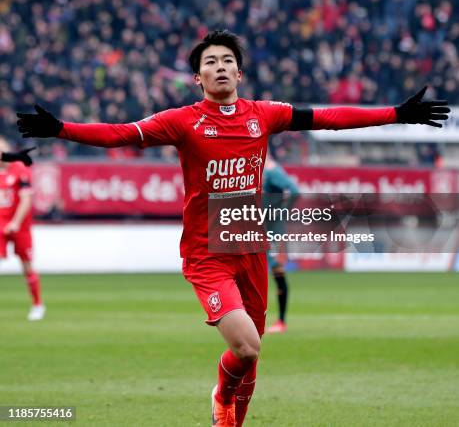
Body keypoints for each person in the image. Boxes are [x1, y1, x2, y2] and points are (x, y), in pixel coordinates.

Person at [16, 30, 449, 426]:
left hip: (249, 246)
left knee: (252, 357)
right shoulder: (182, 121)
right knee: (246, 346)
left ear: (239, 73)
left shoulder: (265, 114)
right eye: (210, 62)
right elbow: (119, 134)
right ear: (197, 79)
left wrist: (396, 114)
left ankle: (230, 419)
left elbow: (329, 117)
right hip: (207, 255)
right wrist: (61, 129)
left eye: (226, 60)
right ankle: (221, 398)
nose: (219, 66)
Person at [0, 140, 45, 321]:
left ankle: (37, 304)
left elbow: (26, 199)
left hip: (20, 225)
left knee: (26, 265)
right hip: (0, 224)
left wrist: (16, 223)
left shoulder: (20, 169)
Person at [263, 152, 300, 334]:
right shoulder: (256, 169)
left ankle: (281, 321)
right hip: (255, 231)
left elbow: (294, 191)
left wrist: (280, 212)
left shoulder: (271, 170)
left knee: (278, 272)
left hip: (273, 232)